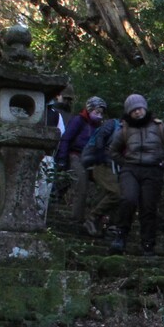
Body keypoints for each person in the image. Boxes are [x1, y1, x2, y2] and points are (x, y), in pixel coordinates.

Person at [108, 94, 164, 255]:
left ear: (145, 107)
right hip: (131, 169)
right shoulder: (124, 129)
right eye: (133, 110)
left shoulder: (160, 126)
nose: (137, 112)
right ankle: (120, 236)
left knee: (148, 206)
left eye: (139, 108)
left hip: (153, 169)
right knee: (128, 199)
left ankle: (148, 244)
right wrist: (124, 163)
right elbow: (113, 150)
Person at [55, 96, 107, 231]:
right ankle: (76, 219)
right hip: (76, 155)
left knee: (106, 186)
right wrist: (62, 159)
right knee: (81, 186)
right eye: (97, 112)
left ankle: (93, 218)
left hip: (91, 159)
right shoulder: (78, 121)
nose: (99, 115)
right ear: (90, 109)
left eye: (101, 113)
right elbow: (66, 139)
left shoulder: (99, 127)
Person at [78, 109, 121, 237]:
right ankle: (92, 218)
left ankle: (99, 224)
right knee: (116, 193)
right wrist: (101, 156)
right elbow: (100, 138)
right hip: (103, 164)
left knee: (106, 195)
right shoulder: (113, 124)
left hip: (116, 167)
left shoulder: (133, 130)